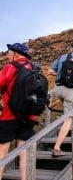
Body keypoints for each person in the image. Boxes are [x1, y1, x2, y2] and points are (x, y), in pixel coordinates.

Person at [0, 43, 37, 180]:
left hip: (9, 116)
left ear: (16, 53)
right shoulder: (34, 68)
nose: (7, 55)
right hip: (29, 116)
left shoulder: (10, 67)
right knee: (24, 151)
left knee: (2, 151)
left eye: (9, 52)